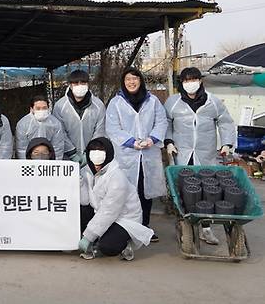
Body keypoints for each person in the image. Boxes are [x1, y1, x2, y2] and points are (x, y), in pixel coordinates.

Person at [164, 66, 237, 245]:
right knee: (183, 191)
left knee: (206, 192)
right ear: (182, 82)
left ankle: (206, 229)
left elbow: (226, 122)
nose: (190, 83)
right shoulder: (173, 102)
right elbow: (165, 122)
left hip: (206, 154)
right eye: (186, 80)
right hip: (182, 153)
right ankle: (184, 224)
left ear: (200, 81)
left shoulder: (213, 102)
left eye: (193, 79)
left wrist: (227, 144)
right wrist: (168, 142)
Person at [106, 67, 167, 242]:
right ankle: (126, 229)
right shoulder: (116, 103)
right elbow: (112, 128)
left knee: (145, 192)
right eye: (128, 79)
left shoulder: (153, 100)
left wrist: (152, 139)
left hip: (148, 153)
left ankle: (145, 227)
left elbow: (161, 121)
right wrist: (131, 142)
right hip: (126, 155)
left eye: (135, 79)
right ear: (123, 83)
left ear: (140, 81)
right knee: (126, 192)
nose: (131, 82)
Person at [79, 137, 154, 261]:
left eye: (101, 152)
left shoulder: (117, 177)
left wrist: (88, 236)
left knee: (108, 247)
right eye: (93, 152)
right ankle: (97, 235)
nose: (96, 159)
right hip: (100, 212)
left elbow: (109, 210)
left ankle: (126, 243)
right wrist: (80, 182)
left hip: (124, 218)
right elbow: (85, 201)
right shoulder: (86, 172)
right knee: (82, 214)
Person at [53, 70, 106, 165]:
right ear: (70, 85)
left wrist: (89, 151)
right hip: (67, 156)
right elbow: (59, 132)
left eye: (83, 82)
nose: (79, 85)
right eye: (76, 83)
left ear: (88, 84)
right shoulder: (60, 106)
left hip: (92, 155)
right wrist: (72, 153)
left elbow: (100, 131)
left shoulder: (98, 105)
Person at [15, 95, 74, 160]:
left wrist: (54, 165)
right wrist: (26, 165)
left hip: (48, 159)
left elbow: (58, 148)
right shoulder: (23, 124)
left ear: (48, 108)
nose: (41, 110)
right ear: (31, 109)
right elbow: (21, 149)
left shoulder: (55, 123)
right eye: (38, 108)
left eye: (44, 108)